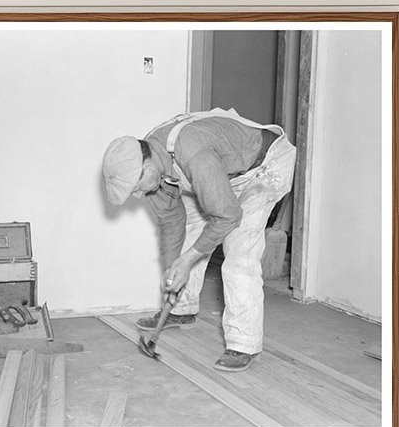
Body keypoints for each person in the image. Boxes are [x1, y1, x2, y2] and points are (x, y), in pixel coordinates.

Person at [102, 108, 296, 371]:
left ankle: (244, 343)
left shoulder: (193, 155)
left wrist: (188, 259)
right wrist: (174, 270)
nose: (137, 196)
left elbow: (228, 215)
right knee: (192, 233)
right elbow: (171, 221)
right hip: (222, 172)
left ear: (146, 169)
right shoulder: (153, 158)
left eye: (135, 189)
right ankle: (180, 307)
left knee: (238, 249)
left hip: (263, 167)